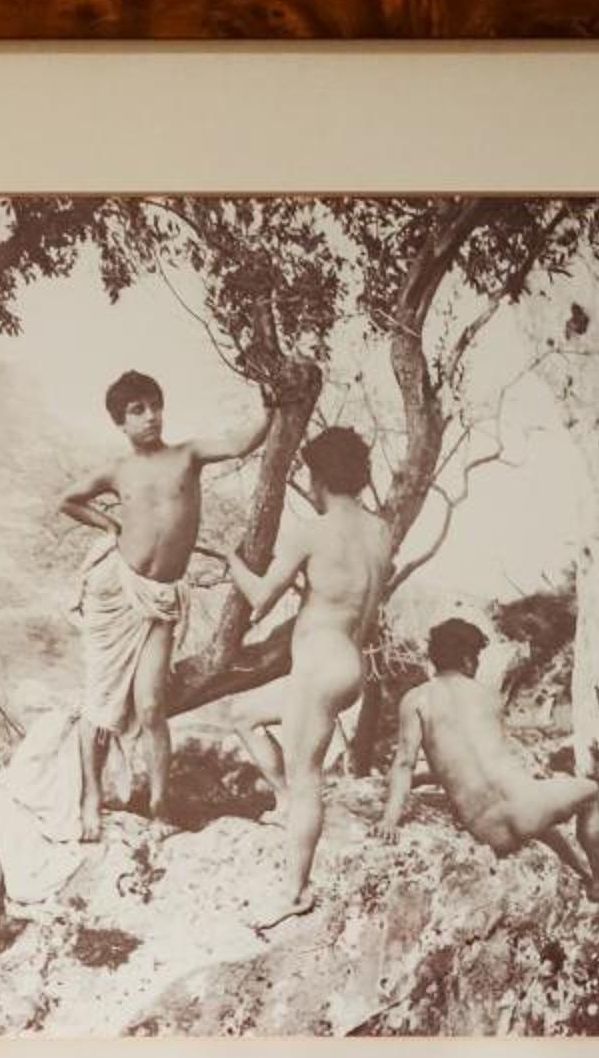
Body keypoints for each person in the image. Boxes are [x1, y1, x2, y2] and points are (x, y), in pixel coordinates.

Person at [57, 369, 270, 838]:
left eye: (155, 406)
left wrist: (271, 405)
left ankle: (159, 808)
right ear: (120, 422)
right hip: (115, 594)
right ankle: (91, 798)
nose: (151, 416)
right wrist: (108, 525)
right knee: (100, 703)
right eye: (138, 410)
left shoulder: (187, 455)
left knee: (152, 705)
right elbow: (68, 500)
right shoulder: (117, 470)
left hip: (162, 599)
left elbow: (240, 444)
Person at [219, 426, 393, 926]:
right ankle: (283, 801)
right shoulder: (380, 532)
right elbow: (366, 608)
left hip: (318, 665)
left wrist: (231, 559)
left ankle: (294, 892)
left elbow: (259, 597)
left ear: (320, 477)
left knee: (308, 780)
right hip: (349, 661)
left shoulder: (311, 531)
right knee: (242, 715)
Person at [378, 617, 599, 899]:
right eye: (476, 658)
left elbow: (410, 763)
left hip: (488, 830)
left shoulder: (416, 700)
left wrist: (390, 818)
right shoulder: (487, 697)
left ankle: (583, 873)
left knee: (529, 816)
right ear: (467, 659)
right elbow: (491, 764)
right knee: (589, 792)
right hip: (529, 812)